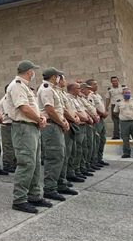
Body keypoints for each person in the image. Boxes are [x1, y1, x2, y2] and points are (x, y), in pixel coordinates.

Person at [6, 60, 52, 214]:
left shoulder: (24, 86)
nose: (34, 73)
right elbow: (24, 108)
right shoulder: (17, 85)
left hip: (32, 127)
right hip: (23, 128)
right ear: (28, 71)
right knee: (26, 163)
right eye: (33, 71)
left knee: (36, 163)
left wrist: (41, 118)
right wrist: (39, 119)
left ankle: (34, 195)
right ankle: (19, 200)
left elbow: (32, 108)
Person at [36, 68, 70, 201]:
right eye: (58, 76)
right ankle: (50, 189)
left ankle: (60, 184)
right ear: (54, 77)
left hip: (56, 124)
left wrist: (63, 121)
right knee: (54, 156)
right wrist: (62, 122)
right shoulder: (46, 89)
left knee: (60, 155)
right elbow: (50, 109)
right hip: (51, 126)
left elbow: (59, 109)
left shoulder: (53, 89)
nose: (59, 78)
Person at [55, 76, 79, 194]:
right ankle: (61, 180)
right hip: (65, 123)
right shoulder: (55, 92)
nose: (65, 81)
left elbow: (69, 108)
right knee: (63, 154)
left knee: (69, 152)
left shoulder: (62, 93)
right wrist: (72, 119)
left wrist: (75, 117)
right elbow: (62, 110)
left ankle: (65, 177)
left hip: (70, 122)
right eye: (63, 79)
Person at [66, 82, 89, 183]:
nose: (80, 90)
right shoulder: (69, 98)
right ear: (72, 89)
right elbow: (73, 112)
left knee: (81, 148)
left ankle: (79, 169)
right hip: (76, 125)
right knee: (75, 150)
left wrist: (88, 117)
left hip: (83, 124)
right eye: (78, 88)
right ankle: (72, 171)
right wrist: (84, 118)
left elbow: (83, 110)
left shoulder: (77, 99)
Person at [87, 79, 110, 167]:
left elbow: (101, 106)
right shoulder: (90, 96)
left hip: (101, 119)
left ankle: (100, 158)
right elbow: (92, 108)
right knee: (96, 140)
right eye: (94, 84)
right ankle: (94, 160)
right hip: (96, 119)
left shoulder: (98, 95)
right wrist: (102, 113)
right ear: (89, 86)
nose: (96, 86)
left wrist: (105, 112)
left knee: (102, 140)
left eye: (96, 84)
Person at [0, 85, 17, 173]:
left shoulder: (9, 99)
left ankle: (13, 164)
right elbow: (9, 113)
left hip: (11, 125)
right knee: (8, 147)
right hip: (7, 125)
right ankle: (7, 165)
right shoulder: (6, 100)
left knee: (13, 146)